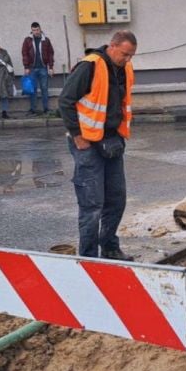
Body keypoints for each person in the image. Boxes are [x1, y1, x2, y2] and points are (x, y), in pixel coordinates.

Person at [59, 30, 137, 261]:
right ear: (111, 47)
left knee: (116, 199)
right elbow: (65, 101)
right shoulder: (90, 66)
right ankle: (90, 258)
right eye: (124, 54)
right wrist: (77, 136)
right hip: (87, 143)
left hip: (112, 141)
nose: (128, 59)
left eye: (131, 55)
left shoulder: (125, 69)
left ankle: (110, 248)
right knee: (92, 204)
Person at [21, 21, 55, 115]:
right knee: (33, 89)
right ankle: (33, 109)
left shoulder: (46, 40)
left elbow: (50, 54)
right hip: (32, 68)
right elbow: (25, 54)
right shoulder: (27, 40)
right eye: (33, 30)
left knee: (44, 88)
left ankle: (46, 109)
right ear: (31, 30)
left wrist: (51, 67)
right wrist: (26, 67)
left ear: (40, 29)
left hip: (43, 68)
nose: (35, 32)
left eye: (37, 30)